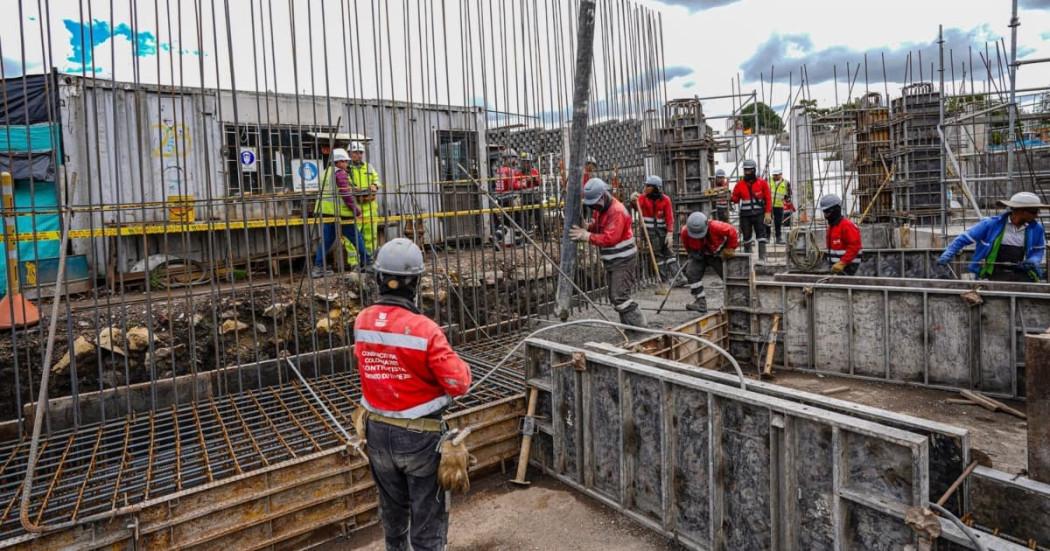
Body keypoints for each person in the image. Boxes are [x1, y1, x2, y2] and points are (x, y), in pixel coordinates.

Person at [354, 238, 472, 551]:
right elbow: (459, 384)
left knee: (394, 517)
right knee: (427, 523)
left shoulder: (362, 321)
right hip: (420, 439)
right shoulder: (424, 329)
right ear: (416, 282)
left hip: (377, 433)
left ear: (379, 278)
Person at [569, 178, 646, 328]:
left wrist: (587, 236)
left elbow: (610, 238)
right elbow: (600, 227)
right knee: (616, 296)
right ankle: (630, 326)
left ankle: (639, 326)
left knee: (619, 296)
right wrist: (588, 227)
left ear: (603, 196)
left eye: (594, 203)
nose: (593, 207)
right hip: (614, 260)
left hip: (623, 260)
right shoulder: (602, 209)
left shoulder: (616, 211)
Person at [938, 191, 1047, 282]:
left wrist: (1032, 261)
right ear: (1019, 211)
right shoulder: (991, 224)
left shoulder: (1037, 229)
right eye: (1033, 212)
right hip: (991, 273)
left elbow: (1038, 251)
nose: (1036, 215)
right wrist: (948, 253)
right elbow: (964, 238)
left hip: (1019, 273)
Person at [312, 148, 367, 277]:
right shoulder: (340, 173)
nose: (347, 164)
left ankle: (318, 267)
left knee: (326, 240)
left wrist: (353, 187)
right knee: (356, 237)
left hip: (326, 212)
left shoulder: (326, 172)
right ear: (339, 162)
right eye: (345, 161)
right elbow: (345, 194)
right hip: (340, 212)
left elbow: (337, 188)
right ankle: (367, 262)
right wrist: (356, 210)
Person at [679, 212, 739, 312]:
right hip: (700, 254)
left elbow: (732, 231)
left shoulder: (716, 226)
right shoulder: (685, 232)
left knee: (728, 276)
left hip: (717, 254)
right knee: (691, 273)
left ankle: (734, 301)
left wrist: (730, 248)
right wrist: (692, 255)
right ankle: (700, 302)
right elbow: (687, 247)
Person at [630, 175, 681, 284]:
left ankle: (678, 277)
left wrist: (670, 233)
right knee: (658, 255)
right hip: (650, 233)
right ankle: (665, 279)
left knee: (669, 254)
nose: (645, 187)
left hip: (662, 232)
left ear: (655, 188)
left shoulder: (665, 200)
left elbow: (669, 217)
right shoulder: (643, 198)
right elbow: (635, 207)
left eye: (648, 186)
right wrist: (633, 200)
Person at [730, 159, 772, 260]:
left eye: (749, 170)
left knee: (761, 236)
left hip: (759, 214)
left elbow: (768, 198)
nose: (747, 172)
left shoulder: (762, 183)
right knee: (746, 237)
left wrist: (768, 213)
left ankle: (762, 258)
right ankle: (747, 259)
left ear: (754, 170)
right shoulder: (739, 184)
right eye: (745, 170)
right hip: (745, 216)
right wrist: (729, 197)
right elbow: (735, 199)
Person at [347, 141, 383, 257]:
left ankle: (369, 258)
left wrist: (375, 185)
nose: (359, 155)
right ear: (349, 153)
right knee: (352, 237)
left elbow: (377, 179)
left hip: (370, 208)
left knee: (371, 236)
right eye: (356, 152)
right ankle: (354, 262)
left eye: (360, 152)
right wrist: (352, 188)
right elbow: (344, 184)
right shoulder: (347, 169)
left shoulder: (368, 167)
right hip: (354, 208)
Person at [820, 194, 863, 275]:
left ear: (836, 210)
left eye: (827, 212)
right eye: (824, 212)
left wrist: (842, 262)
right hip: (837, 268)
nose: (825, 215)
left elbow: (855, 246)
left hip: (849, 268)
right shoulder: (832, 227)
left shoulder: (847, 226)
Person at [770, 168, 792, 244]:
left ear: (780, 175)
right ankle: (767, 237)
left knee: (778, 223)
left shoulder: (786, 183)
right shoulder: (768, 181)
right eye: (774, 175)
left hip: (779, 206)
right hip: (769, 205)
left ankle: (778, 238)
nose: (775, 176)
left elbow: (788, 194)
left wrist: (787, 199)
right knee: (767, 222)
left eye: (776, 175)